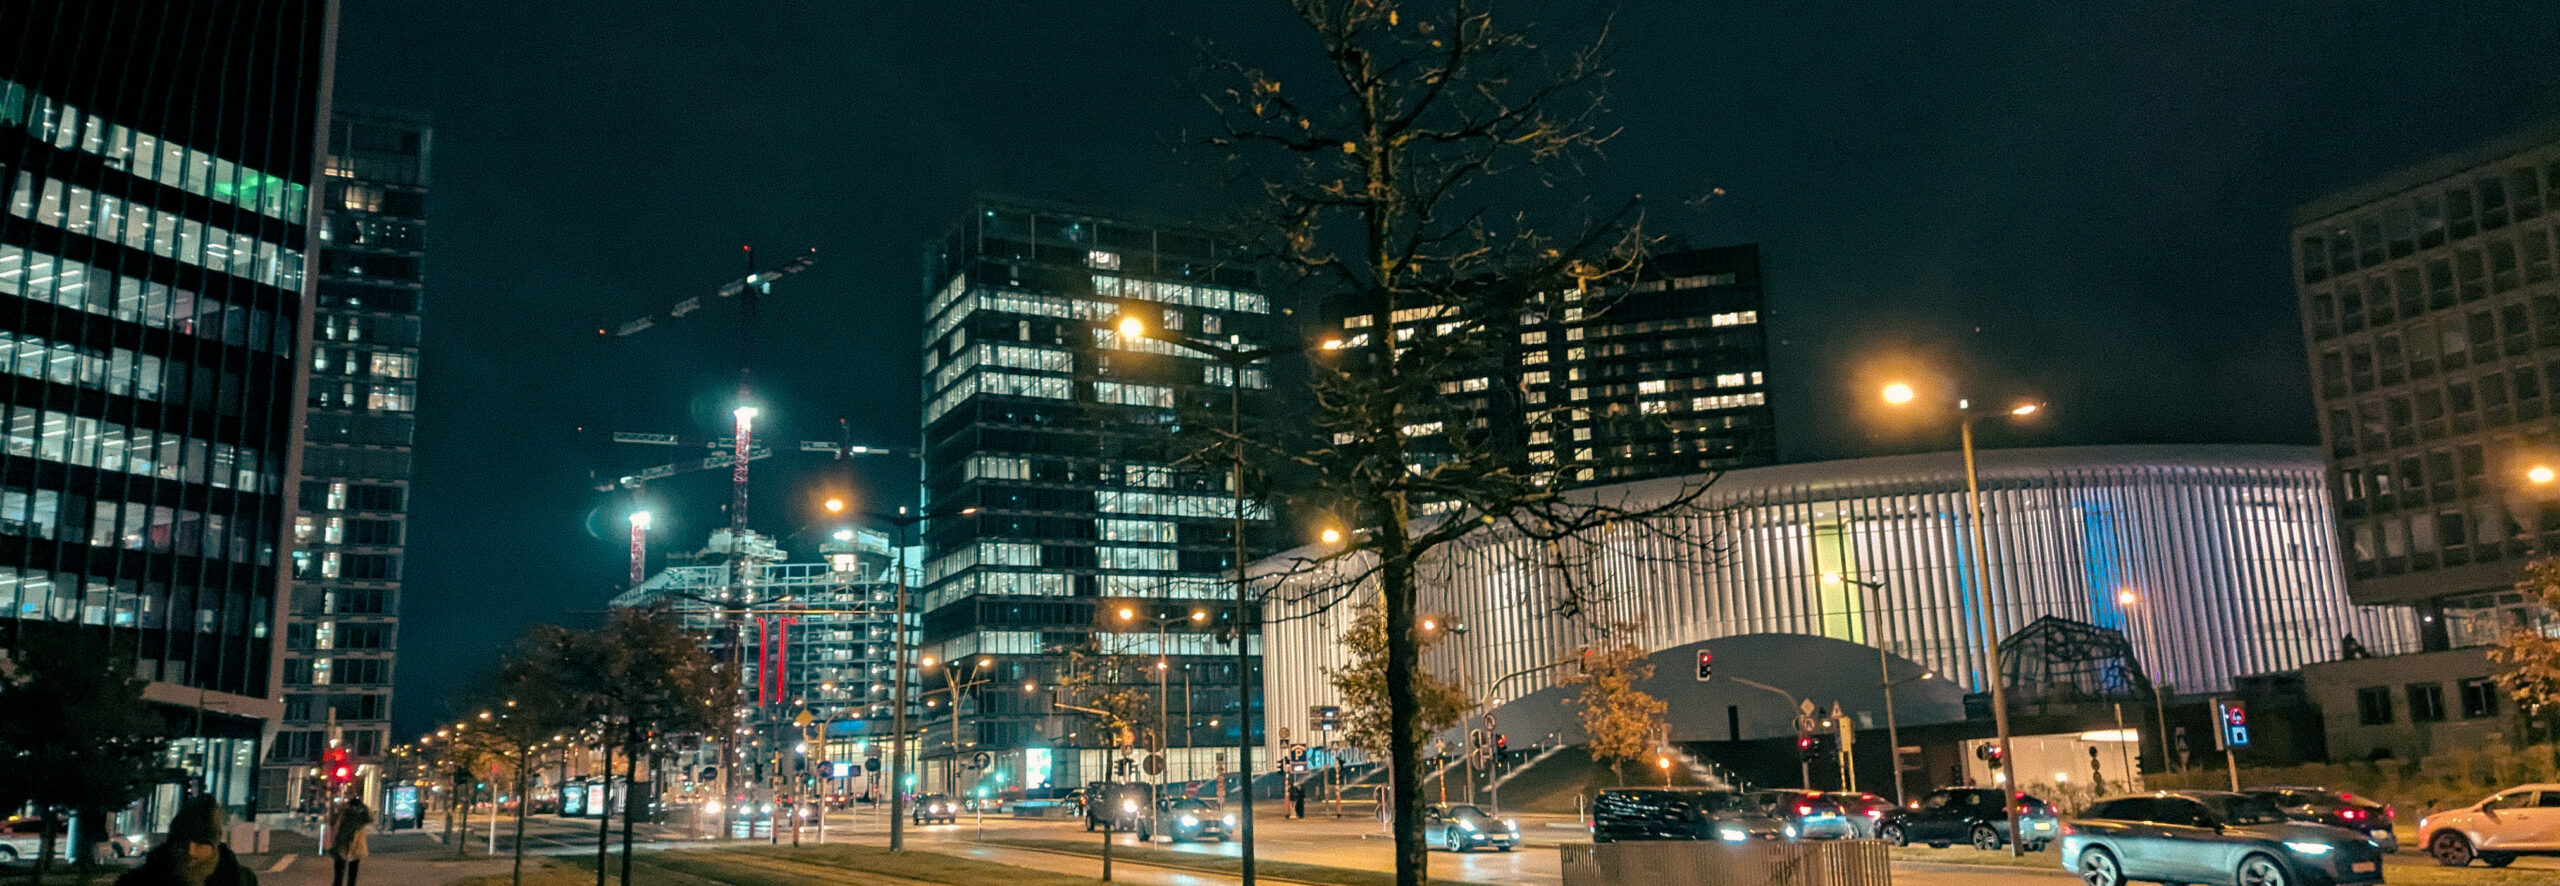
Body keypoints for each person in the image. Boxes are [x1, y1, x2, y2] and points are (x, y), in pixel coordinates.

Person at [116, 796, 256, 886]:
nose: (190, 851)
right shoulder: (138, 881)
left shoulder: (241, 881)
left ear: (214, 846)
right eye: (183, 843)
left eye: (199, 844)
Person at [328, 799, 371, 886]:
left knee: (340, 873)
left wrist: (339, 809)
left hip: (344, 843)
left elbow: (332, 821)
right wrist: (365, 808)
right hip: (351, 844)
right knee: (351, 873)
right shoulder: (360, 814)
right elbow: (370, 819)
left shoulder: (344, 812)